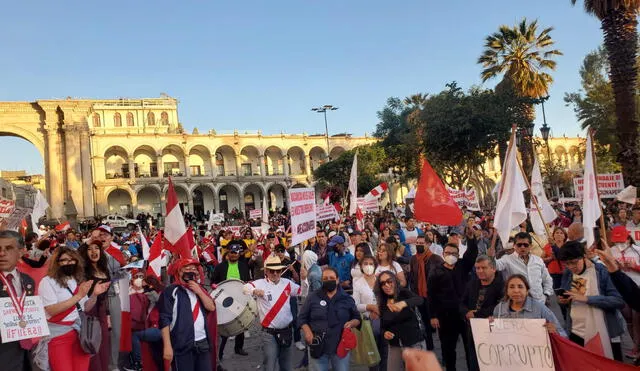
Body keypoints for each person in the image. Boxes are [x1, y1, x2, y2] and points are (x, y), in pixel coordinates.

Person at [38, 246, 110, 371]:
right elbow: (51, 310)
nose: (68, 263)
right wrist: (78, 295)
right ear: (56, 263)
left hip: (79, 334)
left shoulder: (76, 281)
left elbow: (85, 308)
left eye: (72, 260)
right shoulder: (47, 282)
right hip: (58, 336)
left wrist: (94, 295)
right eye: (64, 260)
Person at [558, 241, 626, 361]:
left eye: (574, 262)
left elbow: (618, 300)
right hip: (576, 331)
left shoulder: (602, 271)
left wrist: (588, 299)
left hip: (604, 332)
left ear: (583, 256)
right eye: (566, 264)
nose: (571, 267)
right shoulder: (568, 273)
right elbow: (569, 297)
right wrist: (564, 301)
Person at [428, 231, 478, 371]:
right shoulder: (436, 271)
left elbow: (472, 253)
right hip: (446, 317)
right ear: (443, 254)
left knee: (470, 348)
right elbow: (431, 295)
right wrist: (433, 316)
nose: (450, 255)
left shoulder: (462, 266)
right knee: (448, 349)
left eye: (454, 253)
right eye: (447, 252)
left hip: (465, 315)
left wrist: (471, 237)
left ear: (458, 255)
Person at [243, 255, 301, 371]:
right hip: (269, 334)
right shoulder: (260, 283)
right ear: (266, 271)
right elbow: (245, 288)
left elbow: (301, 292)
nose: (275, 273)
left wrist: (304, 278)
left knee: (287, 366)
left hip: (286, 331)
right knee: (269, 365)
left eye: (278, 271)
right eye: (272, 271)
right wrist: (254, 290)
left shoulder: (287, 283)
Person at [159, 257, 217, 370]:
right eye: (187, 268)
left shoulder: (199, 289)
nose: (191, 270)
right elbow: (164, 319)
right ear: (179, 271)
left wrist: (199, 291)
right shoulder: (171, 291)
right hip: (182, 343)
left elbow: (211, 307)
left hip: (202, 342)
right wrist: (167, 346)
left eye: (194, 268)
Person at [298, 267, 360, 371]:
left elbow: (357, 317)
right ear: (322, 280)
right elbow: (302, 318)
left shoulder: (347, 298)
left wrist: (352, 323)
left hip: (340, 345)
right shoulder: (313, 297)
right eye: (325, 278)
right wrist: (307, 331)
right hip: (317, 344)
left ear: (337, 280)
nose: (329, 280)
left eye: (331, 278)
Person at [0, 231, 37, 371]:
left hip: (24, 354)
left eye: (8, 248)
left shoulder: (28, 281)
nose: (2, 253)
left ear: (21, 252)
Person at [460, 255, 504, 371]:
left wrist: (476, 314)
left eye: (483, 268)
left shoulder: (502, 285)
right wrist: (466, 313)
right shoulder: (472, 283)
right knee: (474, 360)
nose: (479, 271)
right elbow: (462, 302)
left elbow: (500, 307)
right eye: (477, 268)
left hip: (494, 331)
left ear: (493, 268)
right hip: (473, 329)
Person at [376, 271, 426, 371]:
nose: (386, 285)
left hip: (413, 343)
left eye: (389, 281)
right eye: (382, 283)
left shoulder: (404, 293)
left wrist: (404, 303)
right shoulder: (382, 302)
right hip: (394, 346)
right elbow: (382, 327)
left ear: (395, 281)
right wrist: (385, 333)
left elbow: (420, 300)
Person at [490, 232, 553, 304]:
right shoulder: (507, 260)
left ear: (530, 246)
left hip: (539, 302)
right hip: (516, 303)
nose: (522, 247)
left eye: (525, 245)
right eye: (519, 245)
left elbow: (547, 279)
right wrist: (491, 257)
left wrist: (546, 294)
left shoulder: (538, 260)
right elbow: (495, 266)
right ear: (514, 245)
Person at [493, 274, 566, 337]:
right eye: (511, 287)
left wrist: (555, 331)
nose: (516, 290)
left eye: (520, 287)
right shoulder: (499, 309)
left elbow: (563, 334)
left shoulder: (539, 308)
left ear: (527, 291)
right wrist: (489, 326)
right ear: (507, 291)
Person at [212, 241, 250, 359]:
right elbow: (213, 281)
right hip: (224, 299)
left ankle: (239, 348)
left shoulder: (243, 266)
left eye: (236, 253)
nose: (233, 255)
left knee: (240, 324)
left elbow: (247, 282)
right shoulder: (220, 266)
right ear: (228, 253)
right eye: (231, 252)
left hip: (239, 298)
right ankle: (220, 352)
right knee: (225, 326)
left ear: (239, 254)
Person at [78, 240, 111, 371]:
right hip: (88, 311)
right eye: (90, 249)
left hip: (102, 311)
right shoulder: (83, 271)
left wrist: (108, 315)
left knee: (103, 346)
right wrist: (86, 242)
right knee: (92, 344)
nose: (93, 251)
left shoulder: (104, 269)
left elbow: (106, 295)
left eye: (96, 248)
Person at [608, 225, 640, 358]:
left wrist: (635, 266)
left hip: (637, 289)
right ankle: (635, 346)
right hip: (620, 290)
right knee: (629, 322)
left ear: (628, 237)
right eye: (617, 241)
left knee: (637, 320)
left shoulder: (637, 250)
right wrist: (616, 267)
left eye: (622, 240)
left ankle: (637, 347)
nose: (619, 244)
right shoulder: (610, 251)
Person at [408, 234, 443, 350]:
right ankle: (429, 348)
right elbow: (412, 277)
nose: (419, 245)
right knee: (425, 324)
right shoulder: (413, 259)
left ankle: (444, 352)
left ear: (428, 244)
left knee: (439, 324)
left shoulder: (436, 259)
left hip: (434, 297)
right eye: (417, 243)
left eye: (421, 243)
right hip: (420, 296)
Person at [352, 255, 386, 371]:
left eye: (371, 264)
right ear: (361, 266)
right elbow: (355, 305)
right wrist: (369, 307)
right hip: (368, 323)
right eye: (365, 263)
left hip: (384, 320)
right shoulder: (358, 283)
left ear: (375, 266)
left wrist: (380, 310)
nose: (368, 266)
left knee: (385, 352)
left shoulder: (381, 280)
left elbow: (388, 298)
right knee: (373, 354)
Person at [128, 269, 163, 371]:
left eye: (141, 277)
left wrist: (147, 292)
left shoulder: (152, 294)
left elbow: (159, 301)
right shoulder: (129, 292)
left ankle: (137, 363)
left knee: (135, 336)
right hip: (144, 325)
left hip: (157, 327)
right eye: (137, 276)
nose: (139, 279)